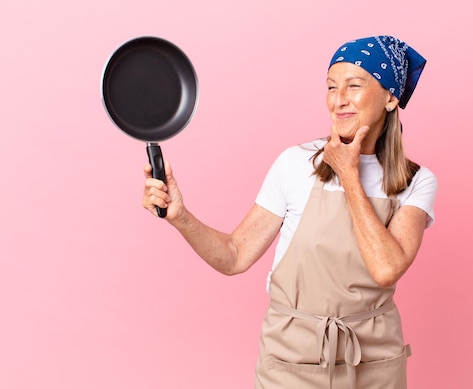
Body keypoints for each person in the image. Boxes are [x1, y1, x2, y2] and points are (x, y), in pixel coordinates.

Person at [142, 35, 437, 389]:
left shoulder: (416, 181)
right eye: (330, 86)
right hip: (291, 355)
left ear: (391, 97)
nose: (338, 99)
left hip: (373, 359)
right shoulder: (295, 164)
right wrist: (180, 216)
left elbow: (386, 268)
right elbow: (235, 256)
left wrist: (349, 175)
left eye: (354, 85)